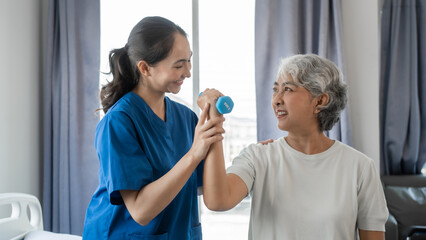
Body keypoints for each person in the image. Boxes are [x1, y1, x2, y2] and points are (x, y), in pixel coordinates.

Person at [198, 54, 389, 240]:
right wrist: (214, 122)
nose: (276, 100)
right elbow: (218, 200)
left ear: (320, 101)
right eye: (275, 90)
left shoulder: (360, 167)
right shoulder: (257, 157)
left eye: (288, 89)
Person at [82, 16, 225, 240]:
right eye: (179, 64)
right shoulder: (118, 122)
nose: (188, 72)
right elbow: (140, 210)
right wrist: (194, 154)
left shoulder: (186, 117)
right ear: (145, 68)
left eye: (189, 61)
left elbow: (202, 186)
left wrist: (255, 159)